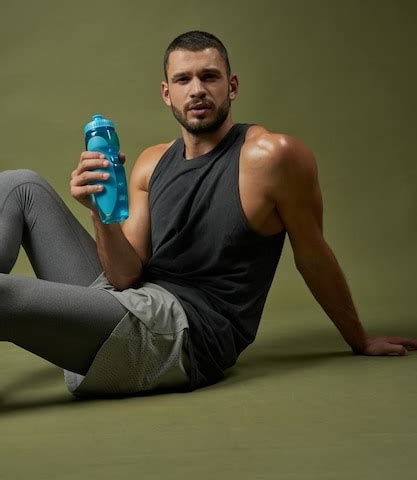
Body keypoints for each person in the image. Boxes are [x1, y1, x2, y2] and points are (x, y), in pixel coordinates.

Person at [1, 30, 416, 398]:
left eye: (209, 77)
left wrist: (358, 338)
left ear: (231, 86)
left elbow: (312, 254)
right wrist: (100, 213)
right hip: (124, 307)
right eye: (183, 79)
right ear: (167, 93)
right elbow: (123, 276)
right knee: (20, 185)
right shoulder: (151, 163)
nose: (197, 89)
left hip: (177, 334)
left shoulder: (272, 156)